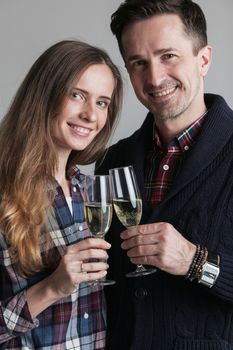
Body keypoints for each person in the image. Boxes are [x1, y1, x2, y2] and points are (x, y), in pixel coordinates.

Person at [95, 0, 233, 349]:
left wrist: (193, 260)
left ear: (203, 59)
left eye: (168, 56)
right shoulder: (113, 159)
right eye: (139, 63)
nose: (154, 78)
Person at [0, 39, 122, 349]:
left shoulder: (92, 192)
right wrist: (53, 287)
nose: (90, 114)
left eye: (102, 102)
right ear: (45, 94)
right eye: (77, 94)